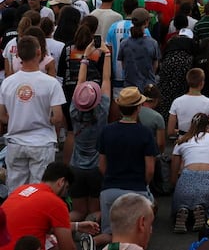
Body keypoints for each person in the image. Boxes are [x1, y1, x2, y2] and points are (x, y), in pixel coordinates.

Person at [0, 36, 66, 190]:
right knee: (39, 191)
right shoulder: (51, 83)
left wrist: (18, 117)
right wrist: (43, 119)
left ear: (18, 55)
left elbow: (2, 116)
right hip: (42, 143)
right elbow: (57, 118)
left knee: (16, 191)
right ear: (39, 52)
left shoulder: (7, 83)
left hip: (15, 142)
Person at [97, 87, 158, 242]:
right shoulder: (145, 133)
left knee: (111, 234)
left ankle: (93, 242)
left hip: (110, 189)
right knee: (137, 237)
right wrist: (144, 183)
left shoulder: (107, 130)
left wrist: (111, 178)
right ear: (138, 107)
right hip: (136, 190)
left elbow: (101, 165)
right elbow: (150, 170)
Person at [68, 39, 112, 224]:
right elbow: (106, 79)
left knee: (77, 211)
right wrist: (107, 54)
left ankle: (69, 227)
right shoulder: (102, 111)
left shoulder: (73, 110)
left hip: (76, 167)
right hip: (95, 168)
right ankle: (90, 233)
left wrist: (85, 57)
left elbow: (80, 82)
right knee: (95, 210)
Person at [171, 112, 209, 233]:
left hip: (186, 180)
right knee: (204, 203)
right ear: (208, 125)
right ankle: (201, 208)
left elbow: (174, 171)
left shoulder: (181, 141)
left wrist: (175, 185)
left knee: (179, 203)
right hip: (207, 181)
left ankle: (182, 210)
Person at [116, 8, 160, 91]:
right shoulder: (153, 43)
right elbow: (155, 65)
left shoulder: (124, 43)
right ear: (146, 22)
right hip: (148, 87)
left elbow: (123, 65)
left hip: (130, 88)